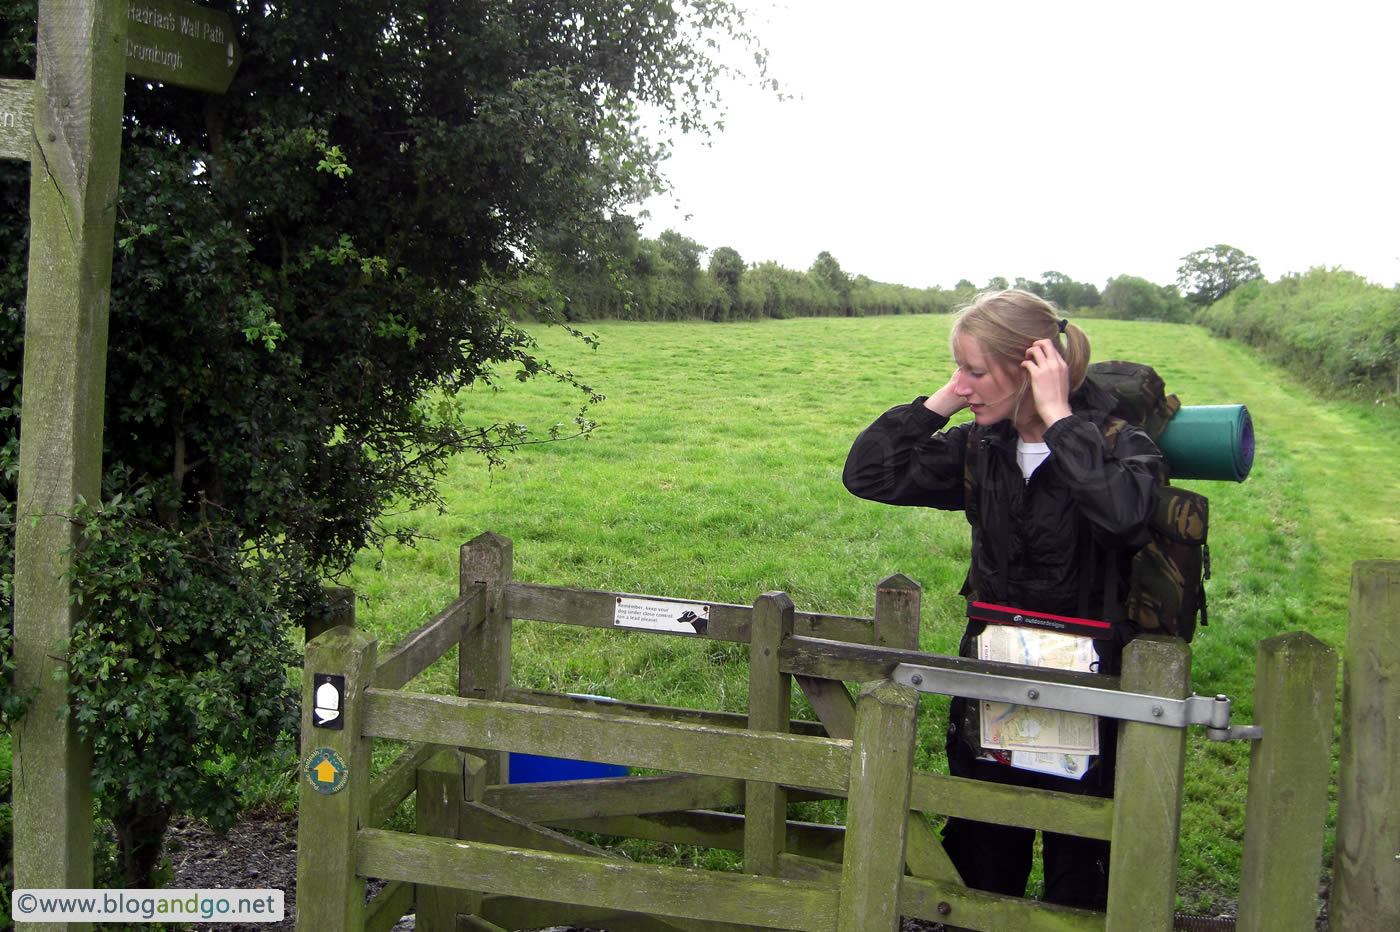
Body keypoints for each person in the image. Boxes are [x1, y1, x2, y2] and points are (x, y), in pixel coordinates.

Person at [841, 288, 1164, 908]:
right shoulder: (980, 448)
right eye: (957, 368)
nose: (962, 385)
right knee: (985, 843)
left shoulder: (1122, 443)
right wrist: (946, 398)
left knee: (1081, 859)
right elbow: (870, 473)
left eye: (975, 370)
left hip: (1088, 687)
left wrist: (1062, 422)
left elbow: (1126, 518)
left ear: (1031, 368)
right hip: (991, 672)